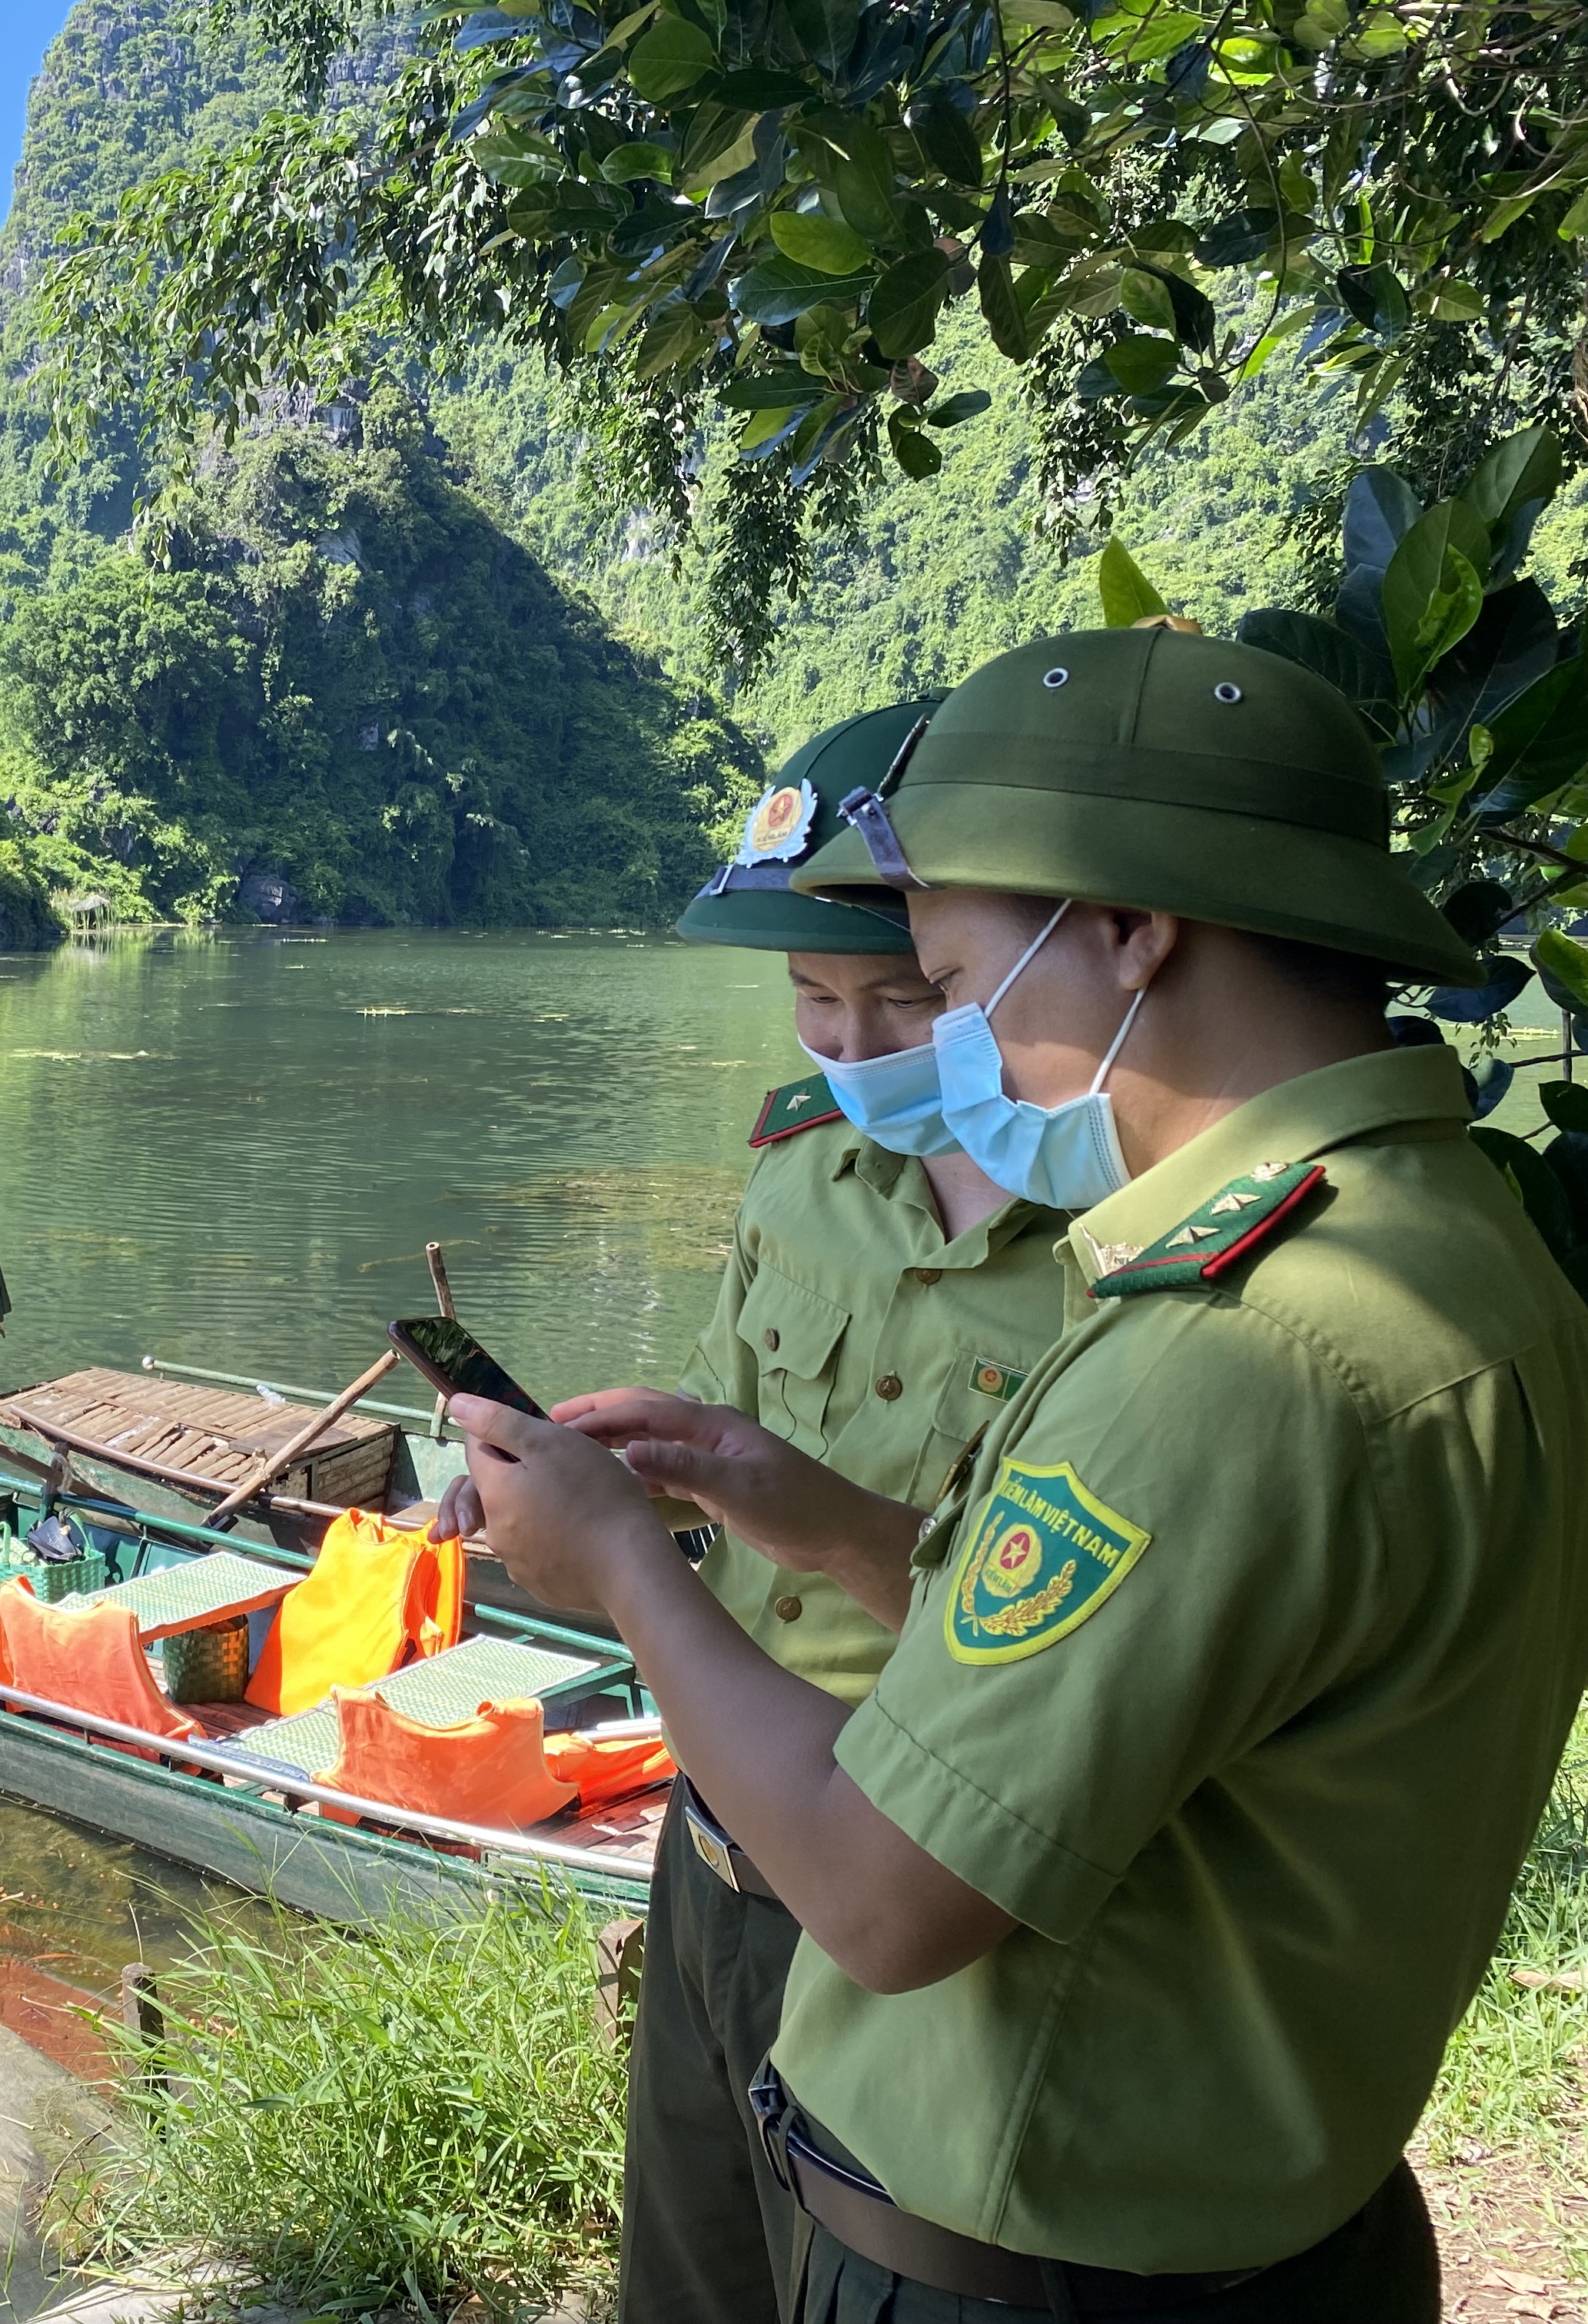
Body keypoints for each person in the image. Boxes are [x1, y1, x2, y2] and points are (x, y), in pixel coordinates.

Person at [441, 626, 1588, 2319]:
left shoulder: (1233, 1354)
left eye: (946, 974)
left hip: (1035, 2257)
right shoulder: (1476, 1272)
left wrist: (627, 1567)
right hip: (1270, 2213)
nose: (936, 1054)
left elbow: (878, 1894)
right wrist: (784, 1497)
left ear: (1134, 930)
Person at [626, 702, 1075, 2324]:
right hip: (714, 1854)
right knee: (691, 2275)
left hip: (923, 1887)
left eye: (905, 998)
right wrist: (622, 1485)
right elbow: (714, 1448)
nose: (854, 1049)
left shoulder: (1124, 1244)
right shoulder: (799, 1170)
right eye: (814, 1003)